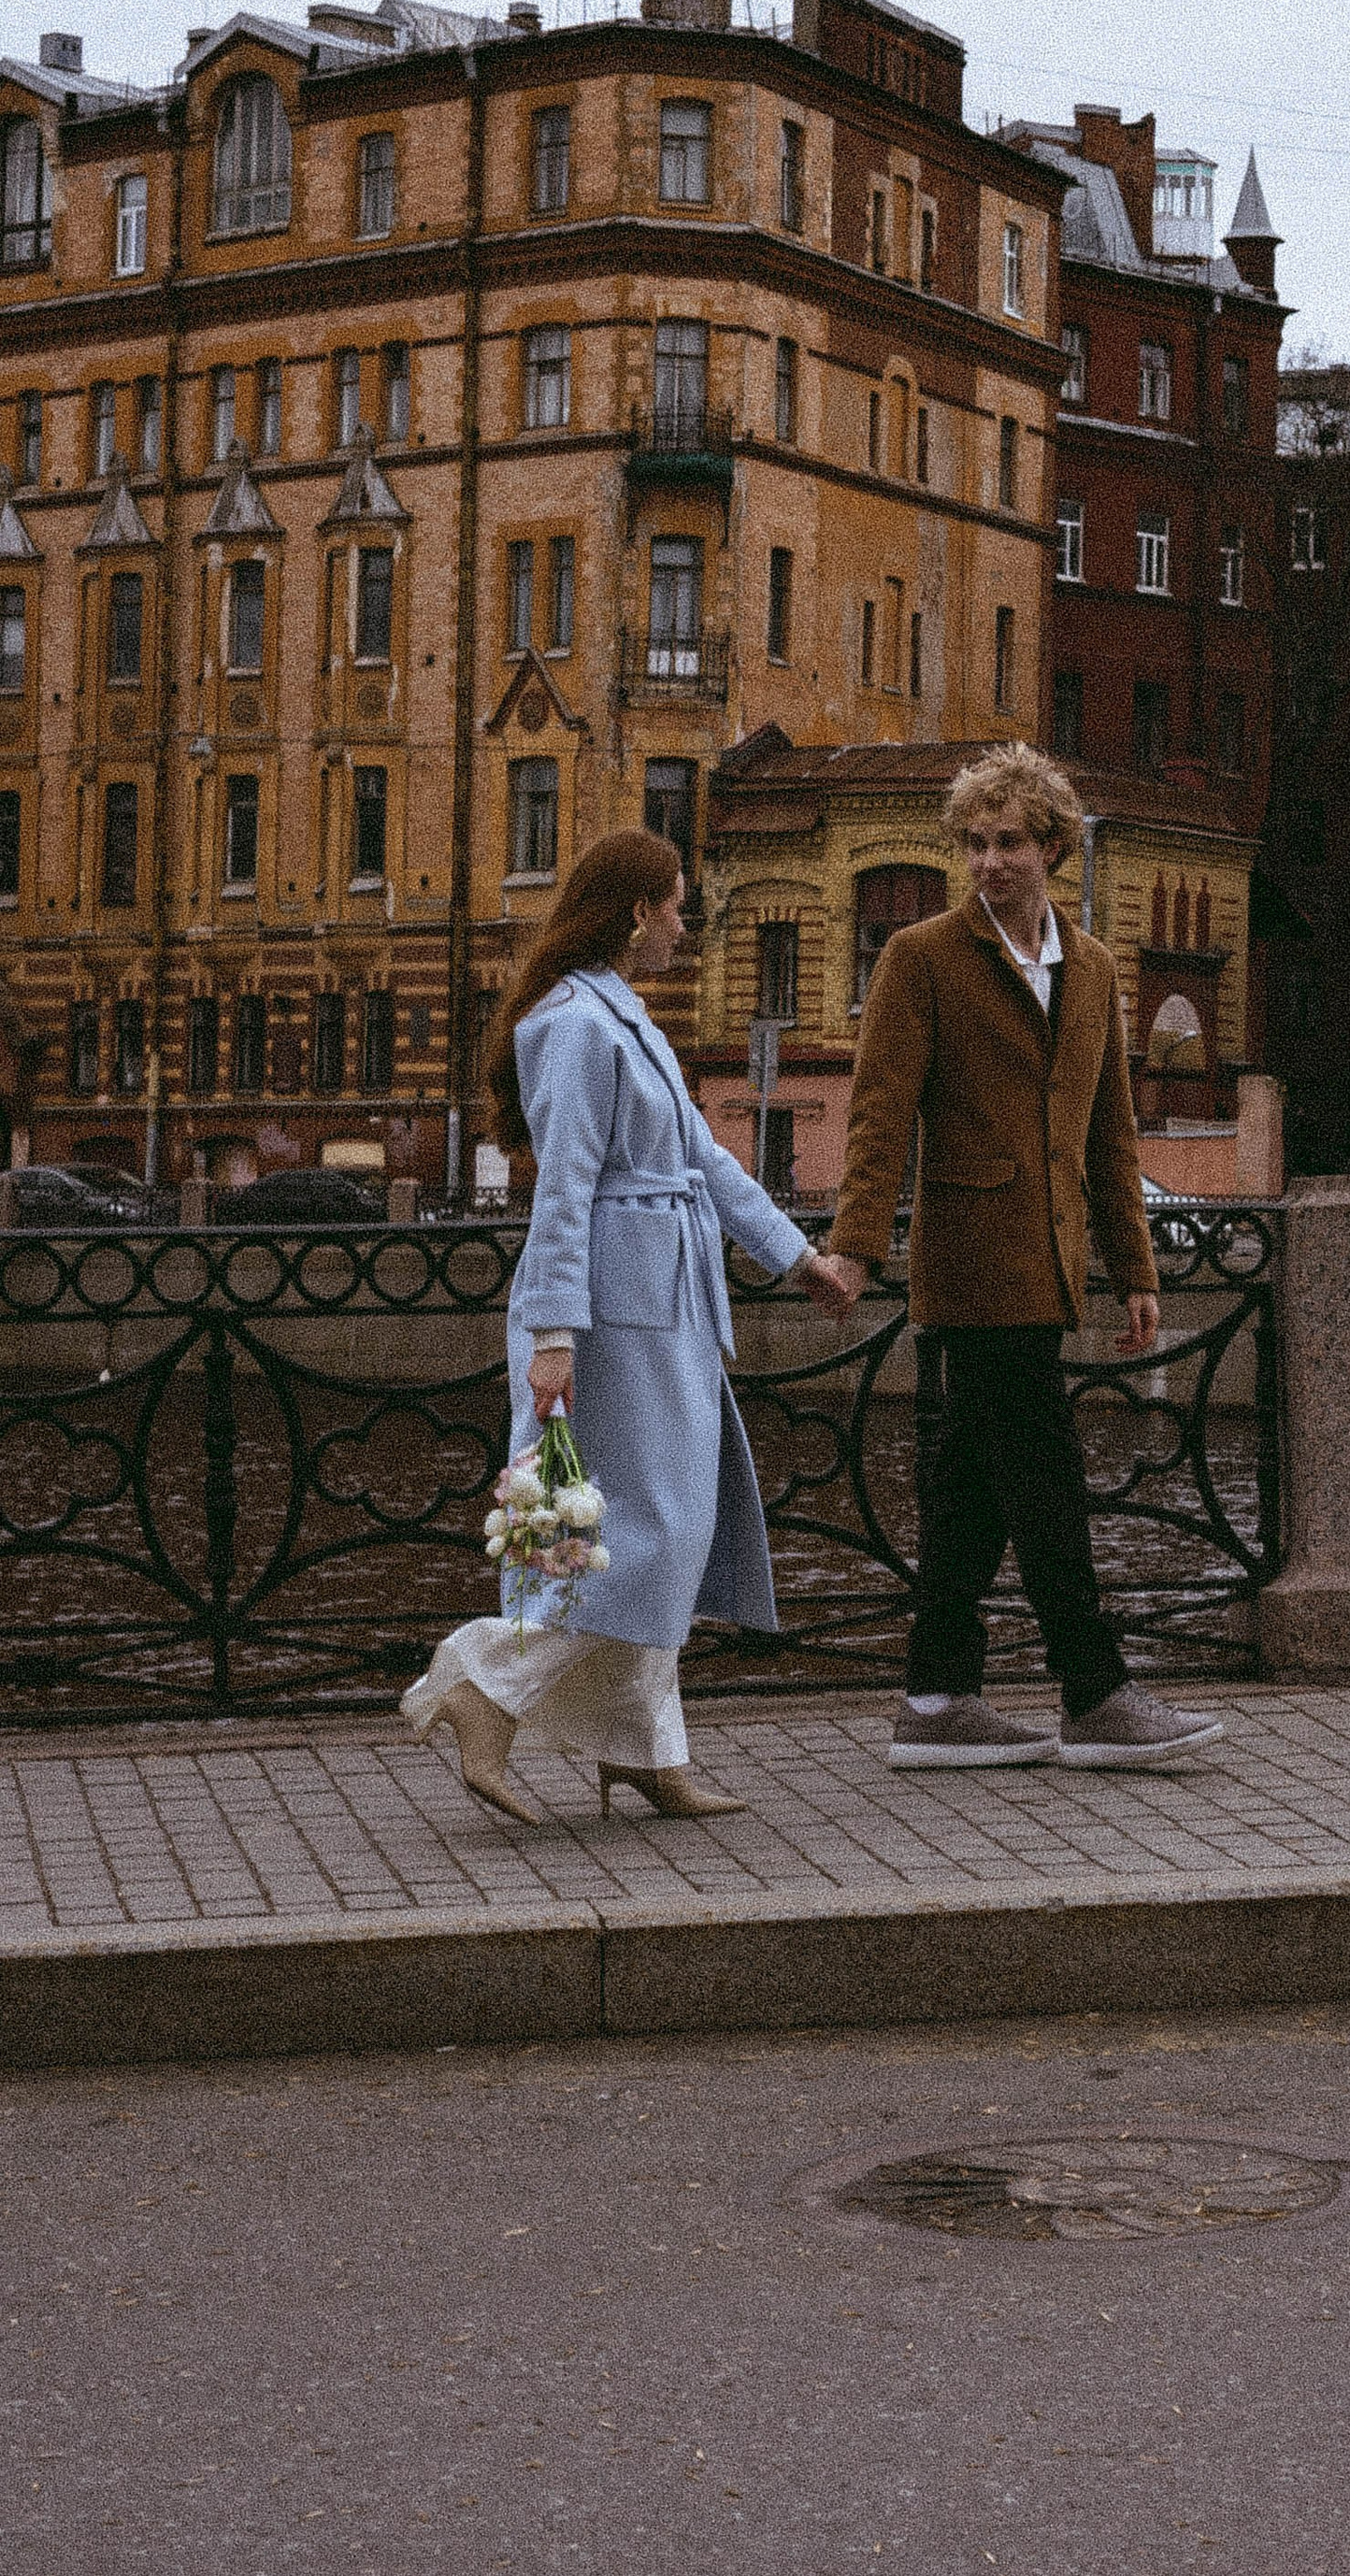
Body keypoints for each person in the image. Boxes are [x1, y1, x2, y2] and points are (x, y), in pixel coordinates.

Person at [403, 828, 846, 1824]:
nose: (684, 929)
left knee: (661, 1534)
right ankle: (484, 1691)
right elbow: (561, 1186)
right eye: (677, 907)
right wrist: (555, 1331)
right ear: (637, 910)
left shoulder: (619, 1015)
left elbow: (705, 1158)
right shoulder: (574, 1024)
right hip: (614, 1312)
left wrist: (795, 1255)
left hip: (659, 1302)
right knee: (635, 1536)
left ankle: (643, 1751)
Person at [812, 743, 1224, 1772]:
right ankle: (1093, 1691)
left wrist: (1135, 1271)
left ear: (1053, 848)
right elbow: (879, 1117)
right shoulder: (923, 957)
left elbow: (1108, 1135)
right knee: (1042, 1474)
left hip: (1051, 1263)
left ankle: (937, 1698)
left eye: (1009, 843)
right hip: (971, 1260)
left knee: (970, 1487)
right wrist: (856, 1248)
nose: (989, 862)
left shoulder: (1089, 967)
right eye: (975, 844)